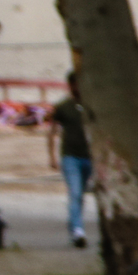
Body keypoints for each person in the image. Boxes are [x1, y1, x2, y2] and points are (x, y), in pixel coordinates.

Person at [49, 74, 92, 247]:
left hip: (88, 156)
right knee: (75, 193)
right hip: (70, 156)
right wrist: (52, 156)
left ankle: (74, 224)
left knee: (80, 194)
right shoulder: (63, 107)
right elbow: (52, 131)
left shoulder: (90, 106)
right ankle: (77, 230)